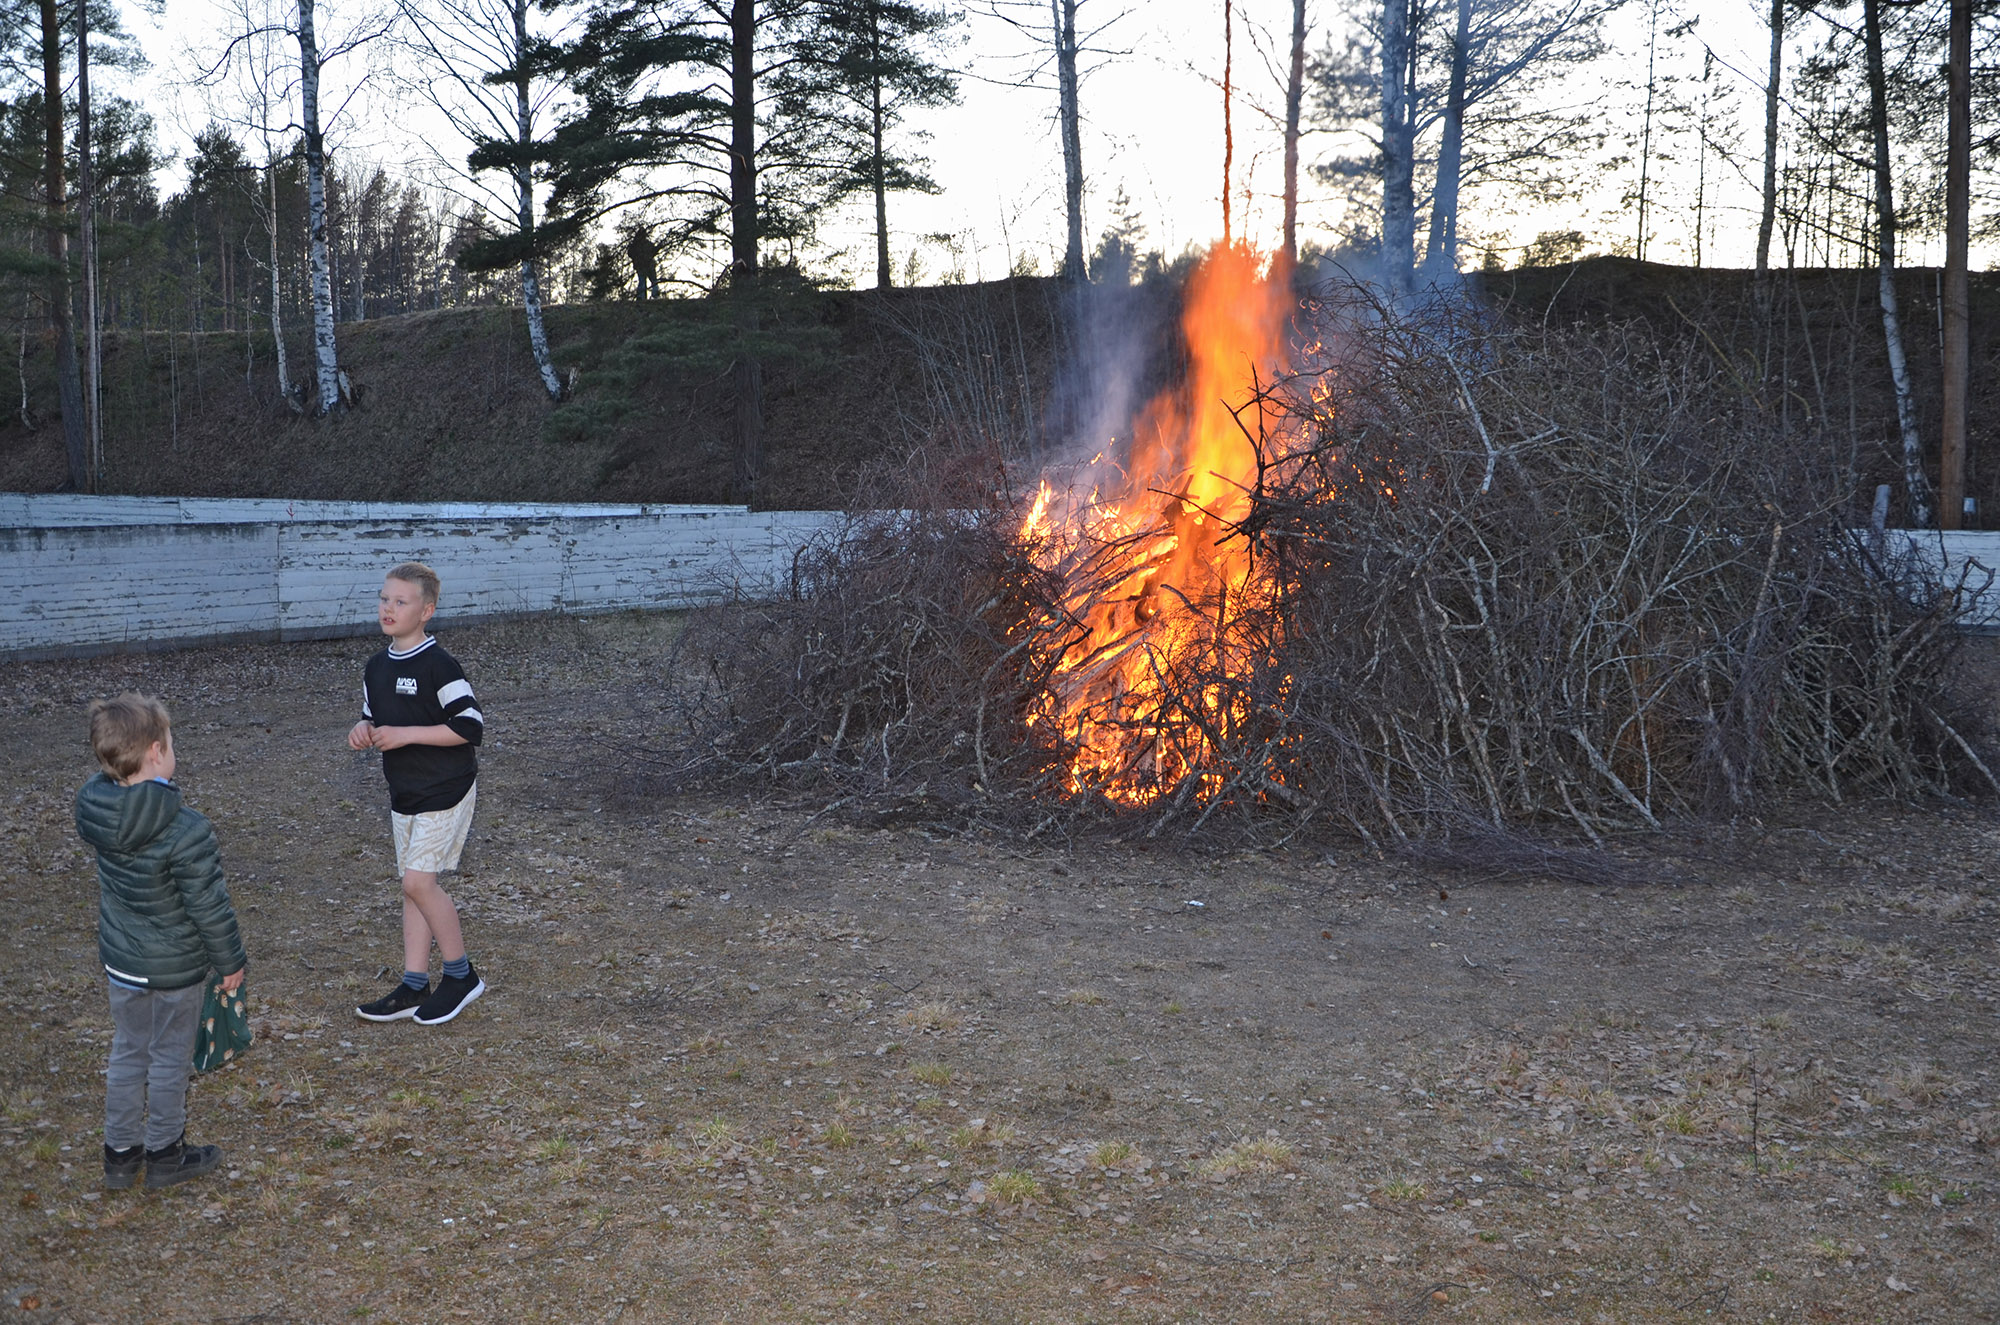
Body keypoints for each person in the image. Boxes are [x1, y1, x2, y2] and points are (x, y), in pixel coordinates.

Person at [75, 693, 247, 1191]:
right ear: (155, 752)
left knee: (129, 1051)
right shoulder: (184, 829)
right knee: (170, 1058)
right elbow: (208, 906)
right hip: (174, 970)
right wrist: (231, 961)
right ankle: (166, 1155)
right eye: (170, 743)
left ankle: (120, 1155)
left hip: (123, 964)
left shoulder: (98, 812)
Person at [349, 562, 488, 1025]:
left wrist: (406, 734)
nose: (388, 608)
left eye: (400, 601)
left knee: (418, 883)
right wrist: (363, 729)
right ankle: (414, 984)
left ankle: (461, 976)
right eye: (384, 599)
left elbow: (470, 726)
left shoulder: (439, 665)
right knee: (412, 888)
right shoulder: (375, 667)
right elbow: (372, 715)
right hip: (404, 792)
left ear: (426, 611)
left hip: (446, 789)